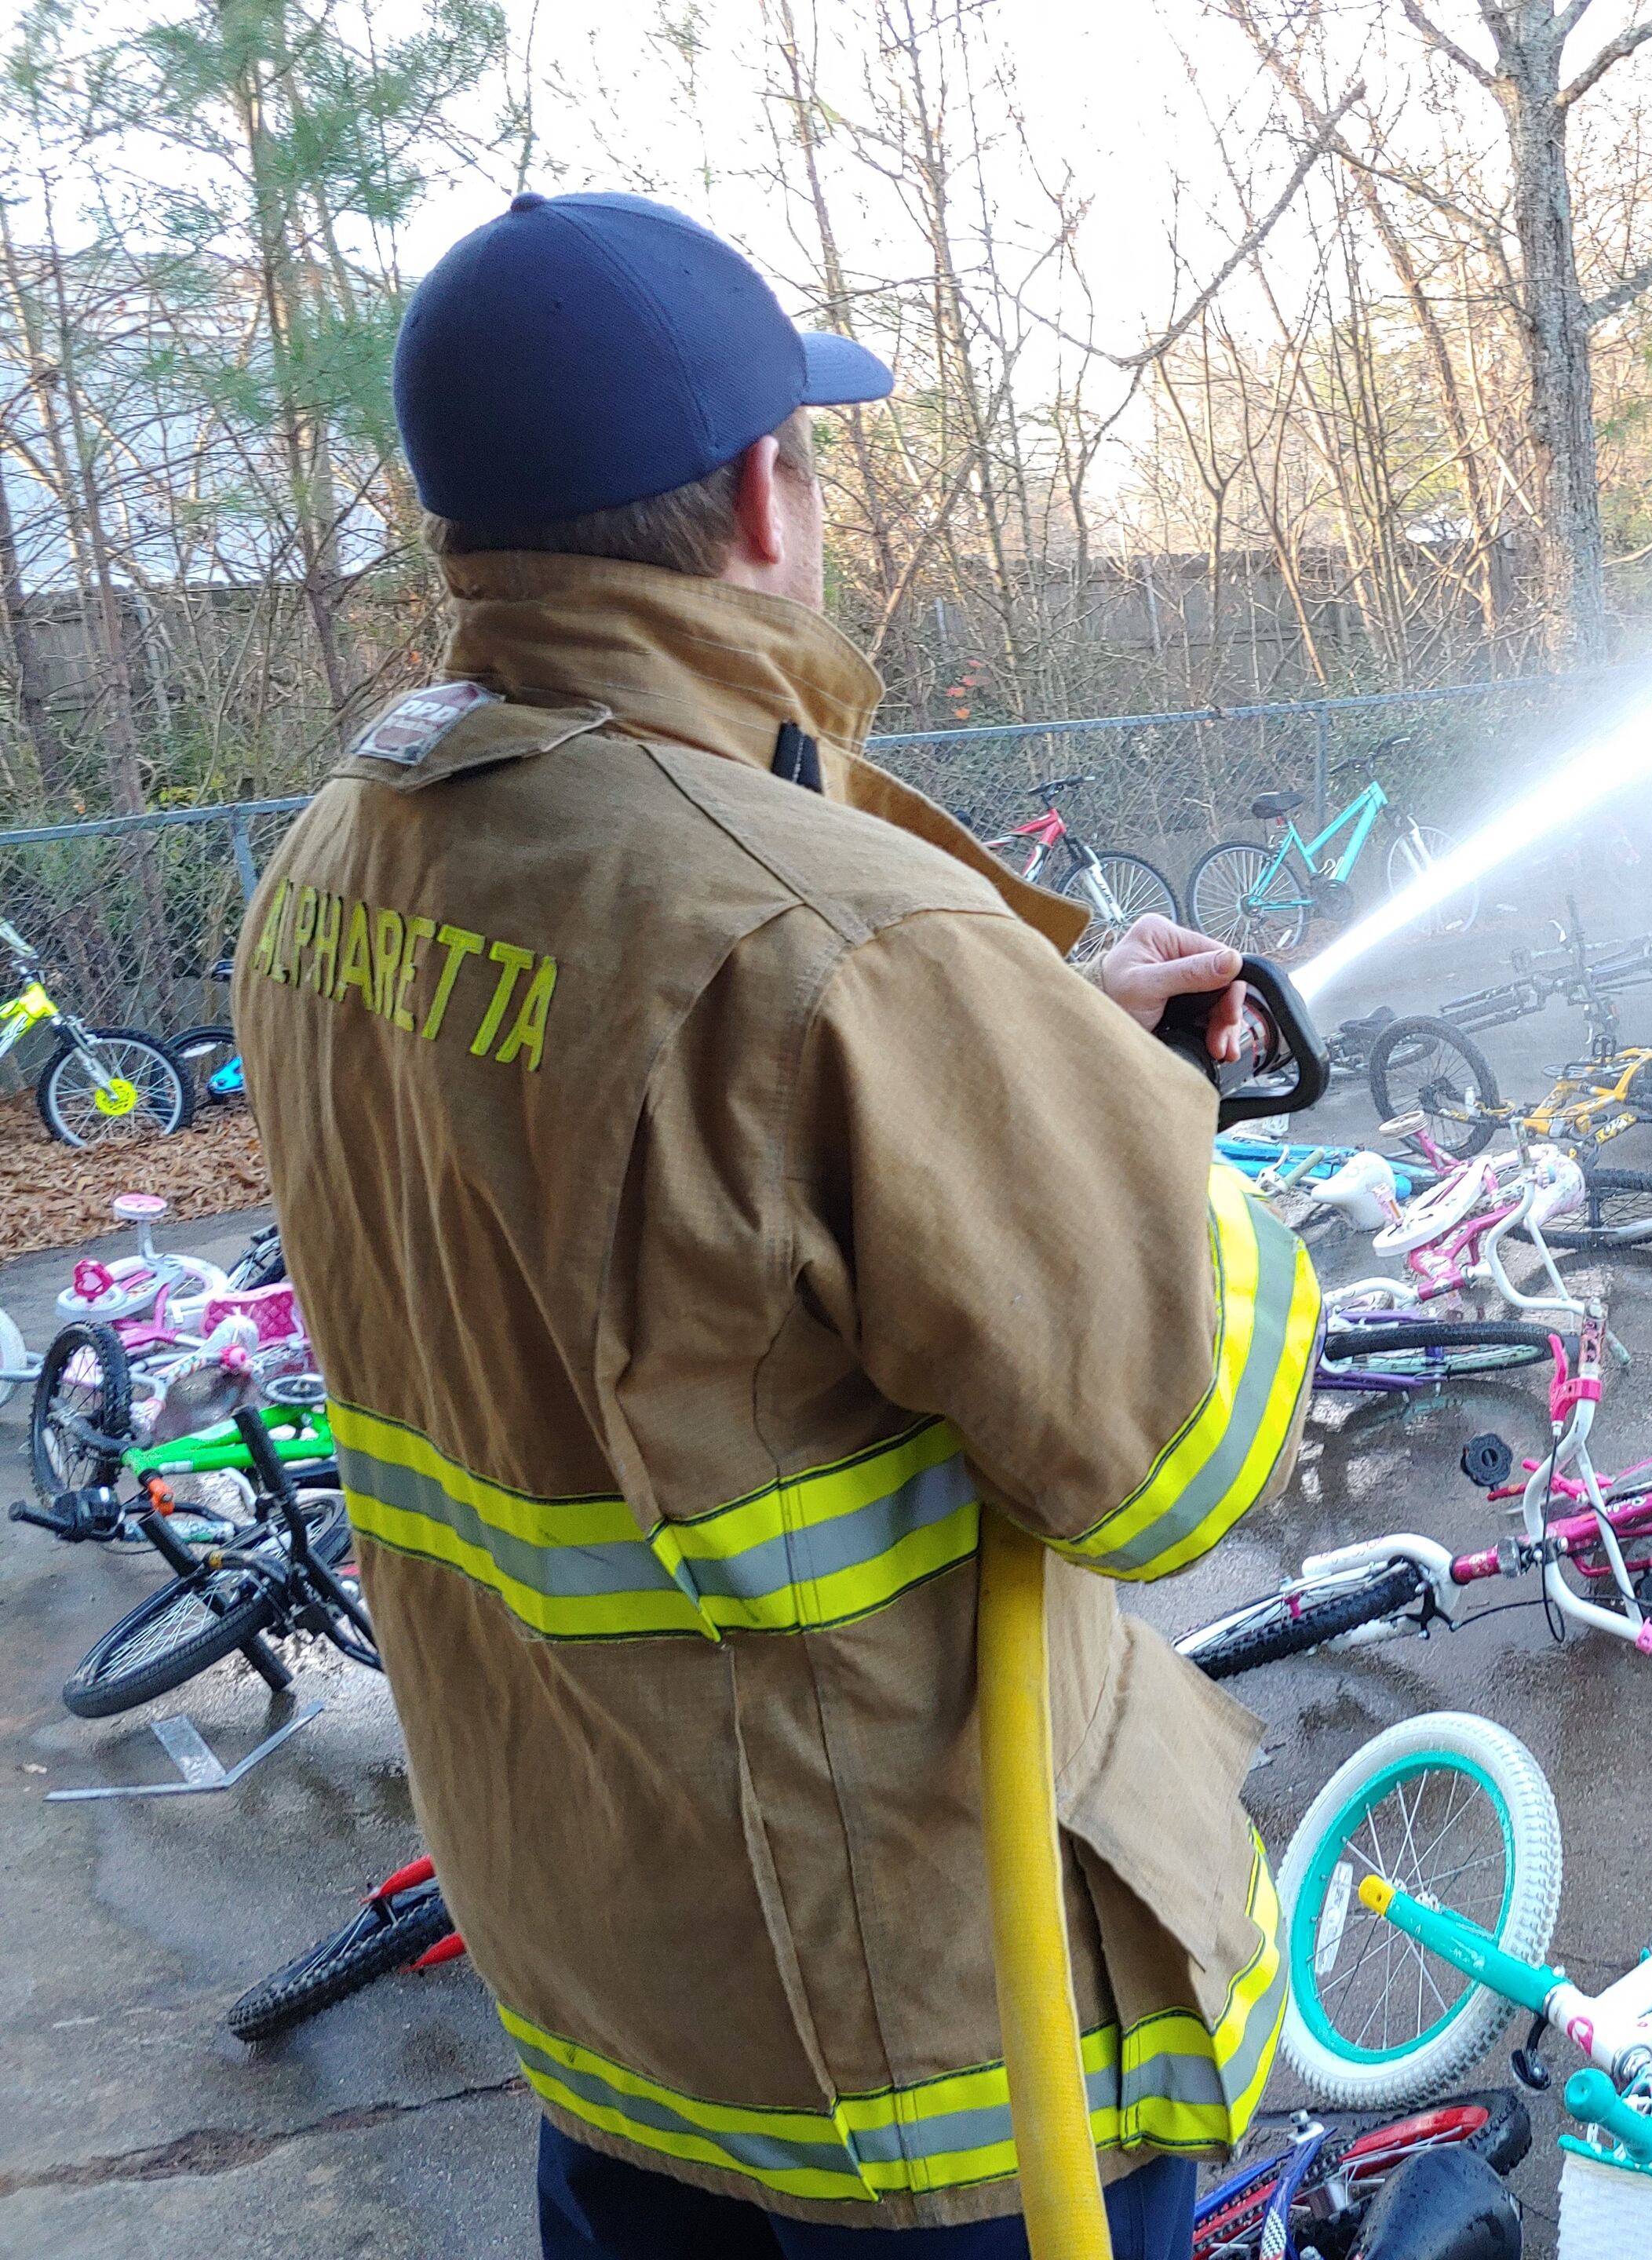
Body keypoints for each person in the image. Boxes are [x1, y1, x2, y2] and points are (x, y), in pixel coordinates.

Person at [233, 190, 1321, 2257]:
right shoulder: (825, 940)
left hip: (607, 2001)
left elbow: (662, 1182)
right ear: (763, 489)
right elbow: (1172, 1464)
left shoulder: (334, 862)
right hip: (915, 2057)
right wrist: (1128, 1116)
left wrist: (999, 1054)